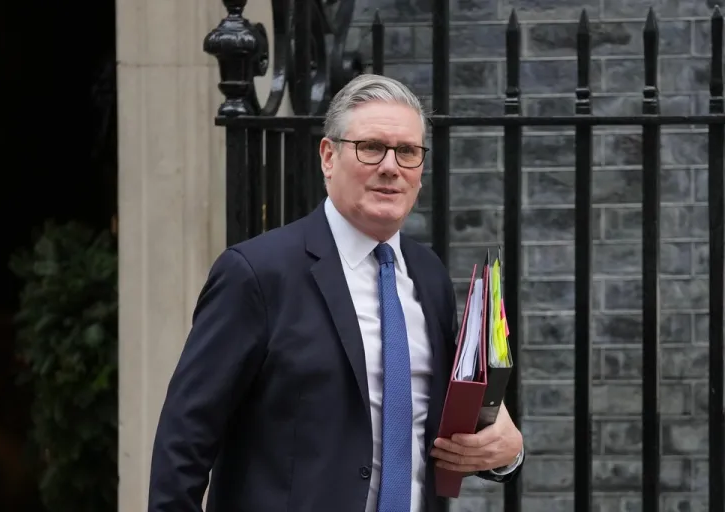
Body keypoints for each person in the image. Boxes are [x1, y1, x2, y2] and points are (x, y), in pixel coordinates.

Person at [148, 74, 524, 512]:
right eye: (370, 147)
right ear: (328, 156)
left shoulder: (429, 276)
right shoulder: (257, 274)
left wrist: (506, 451)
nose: (390, 166)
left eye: (407, 152)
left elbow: (438, 425)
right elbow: (184, 440)